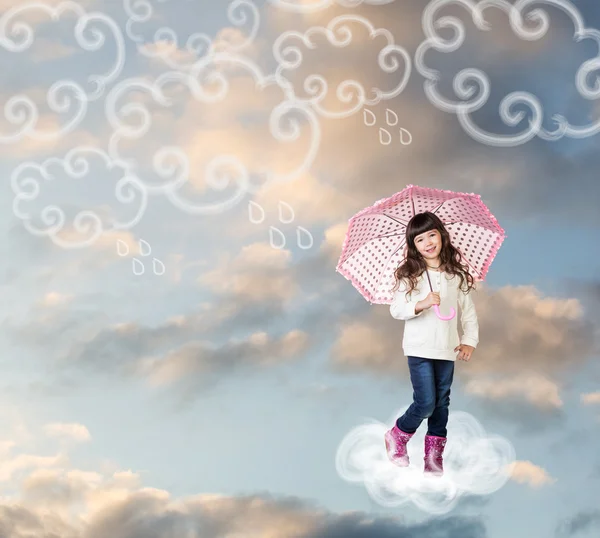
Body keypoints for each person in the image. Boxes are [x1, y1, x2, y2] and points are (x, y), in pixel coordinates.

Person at [384, 211, 479, 476]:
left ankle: (433, 457)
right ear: (413, 247)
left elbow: (469, 312)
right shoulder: (410, 275)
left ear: (441, 235)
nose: (428, 243)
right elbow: (396, 309)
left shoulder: (456, 276)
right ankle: (398, 434)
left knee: (441, 404)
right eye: (420, 240)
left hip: (447, 348)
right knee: (426, 403)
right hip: (419, 348)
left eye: (432, 235)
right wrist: (422, 304)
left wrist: (469, 341)